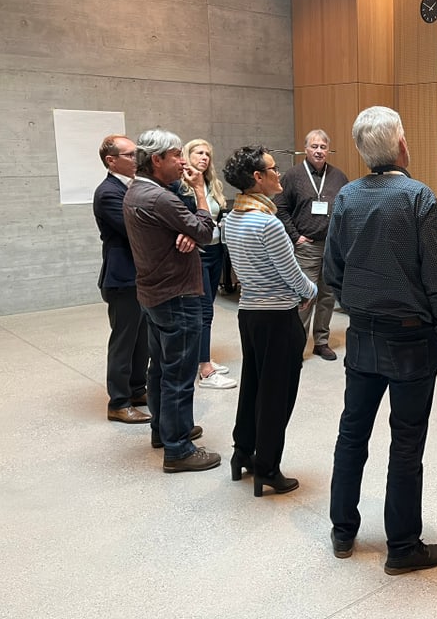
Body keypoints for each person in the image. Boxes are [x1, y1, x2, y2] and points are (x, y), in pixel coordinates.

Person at [324, 106, 437, 575]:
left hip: (362, 335)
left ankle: (343, 531)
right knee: (406, 443)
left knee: (351, 433)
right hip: (412, 339)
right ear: (401, 145)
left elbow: (333, 270)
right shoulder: (418, 197)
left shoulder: (346, 197)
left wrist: (359, 305)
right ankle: (402, 547)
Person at [123, 128, 221, 473]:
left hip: (154, 293)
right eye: (177, 155)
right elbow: (206, 230)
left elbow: (190, 232)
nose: (183, 161)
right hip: (177, 295)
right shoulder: (160, 199)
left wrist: (189, 233)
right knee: (179, 374)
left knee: (160, 368)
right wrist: (198, 192)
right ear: (157, 159)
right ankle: (178, 449)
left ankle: (162, 431)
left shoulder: (139, 191)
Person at [222, 146, 317, 497]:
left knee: (253, 386)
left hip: (249, 313)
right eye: (273, 169)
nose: (280, 173)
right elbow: (293, 275)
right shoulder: (268, 223)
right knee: (277, 395)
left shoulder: (232, 217)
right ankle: (268, 467)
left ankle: (242, 453)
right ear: (257, 178)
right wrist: (312, 289)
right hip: (278, 316)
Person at [275, 129, 348, 361]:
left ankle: (321, 341)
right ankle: (296, 344)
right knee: (304, 295)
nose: (319, 150)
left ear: (329, 150)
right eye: (314, 146)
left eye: (323, 147)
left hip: (331, 246)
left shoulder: (338, 177)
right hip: (306, 245)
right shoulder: (293, 175)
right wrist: (296, 236)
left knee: (327, 295)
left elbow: (346, 209)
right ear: (305, 149)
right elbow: (280, 208)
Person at [93, 135, 151, 424]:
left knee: (143, 340)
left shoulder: (131, 187)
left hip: (139, 276)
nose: (136, 159)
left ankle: (137, 390)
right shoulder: (108, 193)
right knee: (124, 340)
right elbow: (136, 230)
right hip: (122, 277)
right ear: (111, 161)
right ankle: (118, 402)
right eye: (130, 155)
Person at [179, 139, 236, 390]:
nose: (204, 157)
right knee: (203, 311)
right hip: (197, 254)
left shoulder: (212, 185)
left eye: (207, 154)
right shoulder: (181, 187)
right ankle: (205, 369)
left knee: (207, 308)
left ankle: (201, 357)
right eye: (199, 153)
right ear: (187, 156)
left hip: (215, 251)